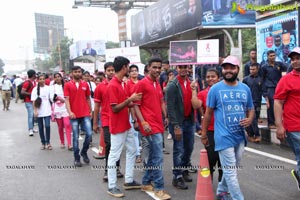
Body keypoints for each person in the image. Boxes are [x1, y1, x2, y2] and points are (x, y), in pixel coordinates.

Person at [201, 55, 255, 200]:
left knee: (232, 168)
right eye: (225, 68)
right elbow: (208, 114)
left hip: (240, 136)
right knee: (231, 171)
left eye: (232, 67)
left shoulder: (245, 88)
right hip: (223, 137)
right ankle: (238, 198)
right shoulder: (215, 89)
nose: (228, 70)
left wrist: (249, 119)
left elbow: (251, 108)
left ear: (238, 69)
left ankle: (221, 191)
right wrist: (204, 134)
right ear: (222, 70)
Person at [133, 57, 171, 200]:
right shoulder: (142, 84)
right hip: (149, 126)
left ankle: (146, 182)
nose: (157, 70)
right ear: (148, 68)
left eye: (159, 67)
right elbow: (136, 105)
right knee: (158, 157)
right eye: (154, 67)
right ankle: (159, 188)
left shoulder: (157, 83)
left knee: (155, 156)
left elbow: (160, 100)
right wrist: (142, 122)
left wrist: (165, 116)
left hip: (158, 123)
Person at [106, 56, 142, 198]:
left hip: (126, 124)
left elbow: (128, 103)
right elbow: (115, 108)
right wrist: (130, 100)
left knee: (133, 150)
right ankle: (112, 185)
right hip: (117, 126)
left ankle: (128, 180)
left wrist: (134, 101)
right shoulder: (113, 85)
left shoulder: (122, 83)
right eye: (128, 67)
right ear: (124, 68)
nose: (129, 69)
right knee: (114, 155)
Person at [274, 47, 300, 191]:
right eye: (293, 59)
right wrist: (279, 126)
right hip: (294, 126)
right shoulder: (286, 79)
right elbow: (278, 102)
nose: (295, 61)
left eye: (298, 58)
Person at [93, 62, 124, 182]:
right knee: (109, 145)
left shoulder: (120, 84)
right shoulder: (100, 87)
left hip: (118, 120)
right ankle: (108, 170)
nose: (111, 72)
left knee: (118, 146)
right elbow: (96, 106)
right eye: (109, 70)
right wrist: (95, 123)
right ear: (105, 72)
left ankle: (116, 168)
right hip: (106, 120)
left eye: (113, 70)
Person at [166, 65, 195, 190]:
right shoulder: (173, 85)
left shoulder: (191, 82)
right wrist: (176, 126)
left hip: (190, 121)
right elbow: (170, 107)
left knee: (189, 148)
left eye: (186, 67)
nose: (183, 69)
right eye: (180, 67)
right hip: (179, 122)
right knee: (179, 150)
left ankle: (183, 170)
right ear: (176, 68)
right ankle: (176, 176)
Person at [191, 68, 223, 182]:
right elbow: (195, 105)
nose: (210, 79)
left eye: (213, 76)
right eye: (208, 77)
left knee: (223, 160)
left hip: (224, 131)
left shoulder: (224, 92)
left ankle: (222, 184)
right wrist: (194, 90)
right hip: (209, 130)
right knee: (211, 157)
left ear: (218, 78)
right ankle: (205, 183)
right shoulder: (203, 93)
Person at [64, 66, 93, 167]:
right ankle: (76, 158)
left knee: (89, 134)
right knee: (75, 137)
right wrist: (70, 112)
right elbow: (66, 99)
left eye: (79, 72)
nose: (77, 73)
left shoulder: (85, 84)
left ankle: (84, 152)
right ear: (71, 73)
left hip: (85, 113)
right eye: (75, 72)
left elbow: (88, 98)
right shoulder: (67, 85)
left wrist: (91, 110)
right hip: (74, 115)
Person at [261, 50, 287, 129]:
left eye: (273, 55)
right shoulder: (264, 67)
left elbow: (287, 68)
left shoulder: (279, 64)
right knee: (271, 106)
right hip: (269, 88)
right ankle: (271, 123)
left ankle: (280, 122)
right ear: (268, 57)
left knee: (281, 104)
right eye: (271, 56)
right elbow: (262, 79)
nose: (272, 57)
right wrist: (264, 93)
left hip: (278, 87)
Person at [50, 72, 72, 150]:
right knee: (60, 127)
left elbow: (69, 96)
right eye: (55, 77)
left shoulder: (66, 85)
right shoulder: (52, 87)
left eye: (59, 76)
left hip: (66, 108)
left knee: (67, 125)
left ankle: (69, 143)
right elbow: (51, 98)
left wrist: (64, 100)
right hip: (57, 108)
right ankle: (62, 142)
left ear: (61, 77)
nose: (57, 78)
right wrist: (59, 98)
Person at [242, 63, 263, 142]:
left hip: (258, 101)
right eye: (251, 69)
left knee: (255, 118)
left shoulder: (261, 79)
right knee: (252, 118)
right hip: (248, 102)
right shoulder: (246, 79)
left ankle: (250, 134)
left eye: (253, 69)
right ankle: (256, 135)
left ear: (257, 69)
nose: (252, 71)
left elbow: (263, 90)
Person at [31, 74, 52, 150]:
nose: (42, 80)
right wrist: (35, 111)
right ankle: (43, 143)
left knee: (47, 126)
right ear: (38, 80)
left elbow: (52, 98)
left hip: (47, 111)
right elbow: (33, 101)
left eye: (43, 79)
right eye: (40, 79)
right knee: (40, 128)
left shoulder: (49, 88)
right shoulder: (35, 89)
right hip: (39, 111)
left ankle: (48, 142)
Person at [127, 64, 142, 163]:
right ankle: (137, 154)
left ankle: (139, 149)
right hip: (132, 111)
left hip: (143, 111)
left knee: (142, 134)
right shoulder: (127, 84)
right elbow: (129, 101)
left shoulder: (141, 83)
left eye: (136, 70)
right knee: (135, 133)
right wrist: (133, 118)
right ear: (129, 73)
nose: (134, 72)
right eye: (132, 71)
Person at [21, 69, 38, 136]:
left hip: (33, 101)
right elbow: (22, 92)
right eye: (35, 74)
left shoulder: (34, 82)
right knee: (30, 115)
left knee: (33, 115)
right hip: (28, 101)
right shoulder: (27, 82)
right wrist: (30, 94)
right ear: (33, 75)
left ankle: (32, 128)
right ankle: (30, 129)